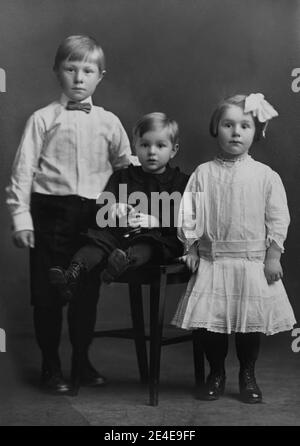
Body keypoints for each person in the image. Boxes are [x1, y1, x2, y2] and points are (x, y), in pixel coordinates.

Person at [6, 35, 137, 394]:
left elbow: (128, 168)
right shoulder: (42, 119)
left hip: (93, 216)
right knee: (47, 294)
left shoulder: (110, 122)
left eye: (88, 70)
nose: (79, 78)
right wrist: (22, 219)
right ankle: (51, 364)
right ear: (56, 72)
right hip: (50, 213)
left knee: (85, 294)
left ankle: (82, 360)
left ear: (100, 76)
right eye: (71, 69)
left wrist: (125, 206)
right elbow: (23, 171)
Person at [173, 93, 296, 403]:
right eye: (228, 125)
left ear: (256, 132)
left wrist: (273, 255)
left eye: (245, 125)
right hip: (215, 260)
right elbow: (190, 212)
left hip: (251, 261)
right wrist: (190, 247)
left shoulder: (265, 176)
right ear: (217, 129)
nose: (236, 132)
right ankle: (217, 373)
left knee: (247, 324)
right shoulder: (203, 173)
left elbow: (278, 218)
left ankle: (247, 374)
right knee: (211, 325)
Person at [48, 112, 189, 304]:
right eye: (145, 145)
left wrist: (156, 221)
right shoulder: (122, 177)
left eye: (160, 145)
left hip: (159, 238)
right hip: (120, 235)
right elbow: (102, 206)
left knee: (149, 243)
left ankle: (123, 261)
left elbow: (186, 219)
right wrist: (113, 209)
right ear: (135, 146)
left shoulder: (180, 182)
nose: (152, 152)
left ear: (173, 150)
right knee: (98, 239)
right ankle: (73, 272)